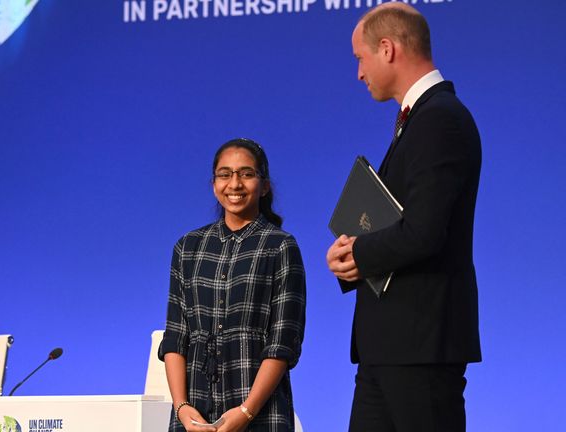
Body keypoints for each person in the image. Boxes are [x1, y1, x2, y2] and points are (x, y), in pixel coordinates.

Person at [326, 4, 482, 431]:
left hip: (420, 346)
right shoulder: (420, 120)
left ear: (387, 48)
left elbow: (424, 232)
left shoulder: (440, 119)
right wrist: (351, 261)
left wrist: (358, 251)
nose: (359, 72)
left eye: (360, 58)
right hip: (391, 347)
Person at [159, 138, 306, 432]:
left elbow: (282, 343)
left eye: (246, 174)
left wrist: (246, 411)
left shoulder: (280, 246)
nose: (234, 183)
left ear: (264, 186)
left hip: (259, 409)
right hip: (195, 413)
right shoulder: (188, 247)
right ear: (214, 184)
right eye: (225, 174)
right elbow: (176, 336)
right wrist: (182, 408)